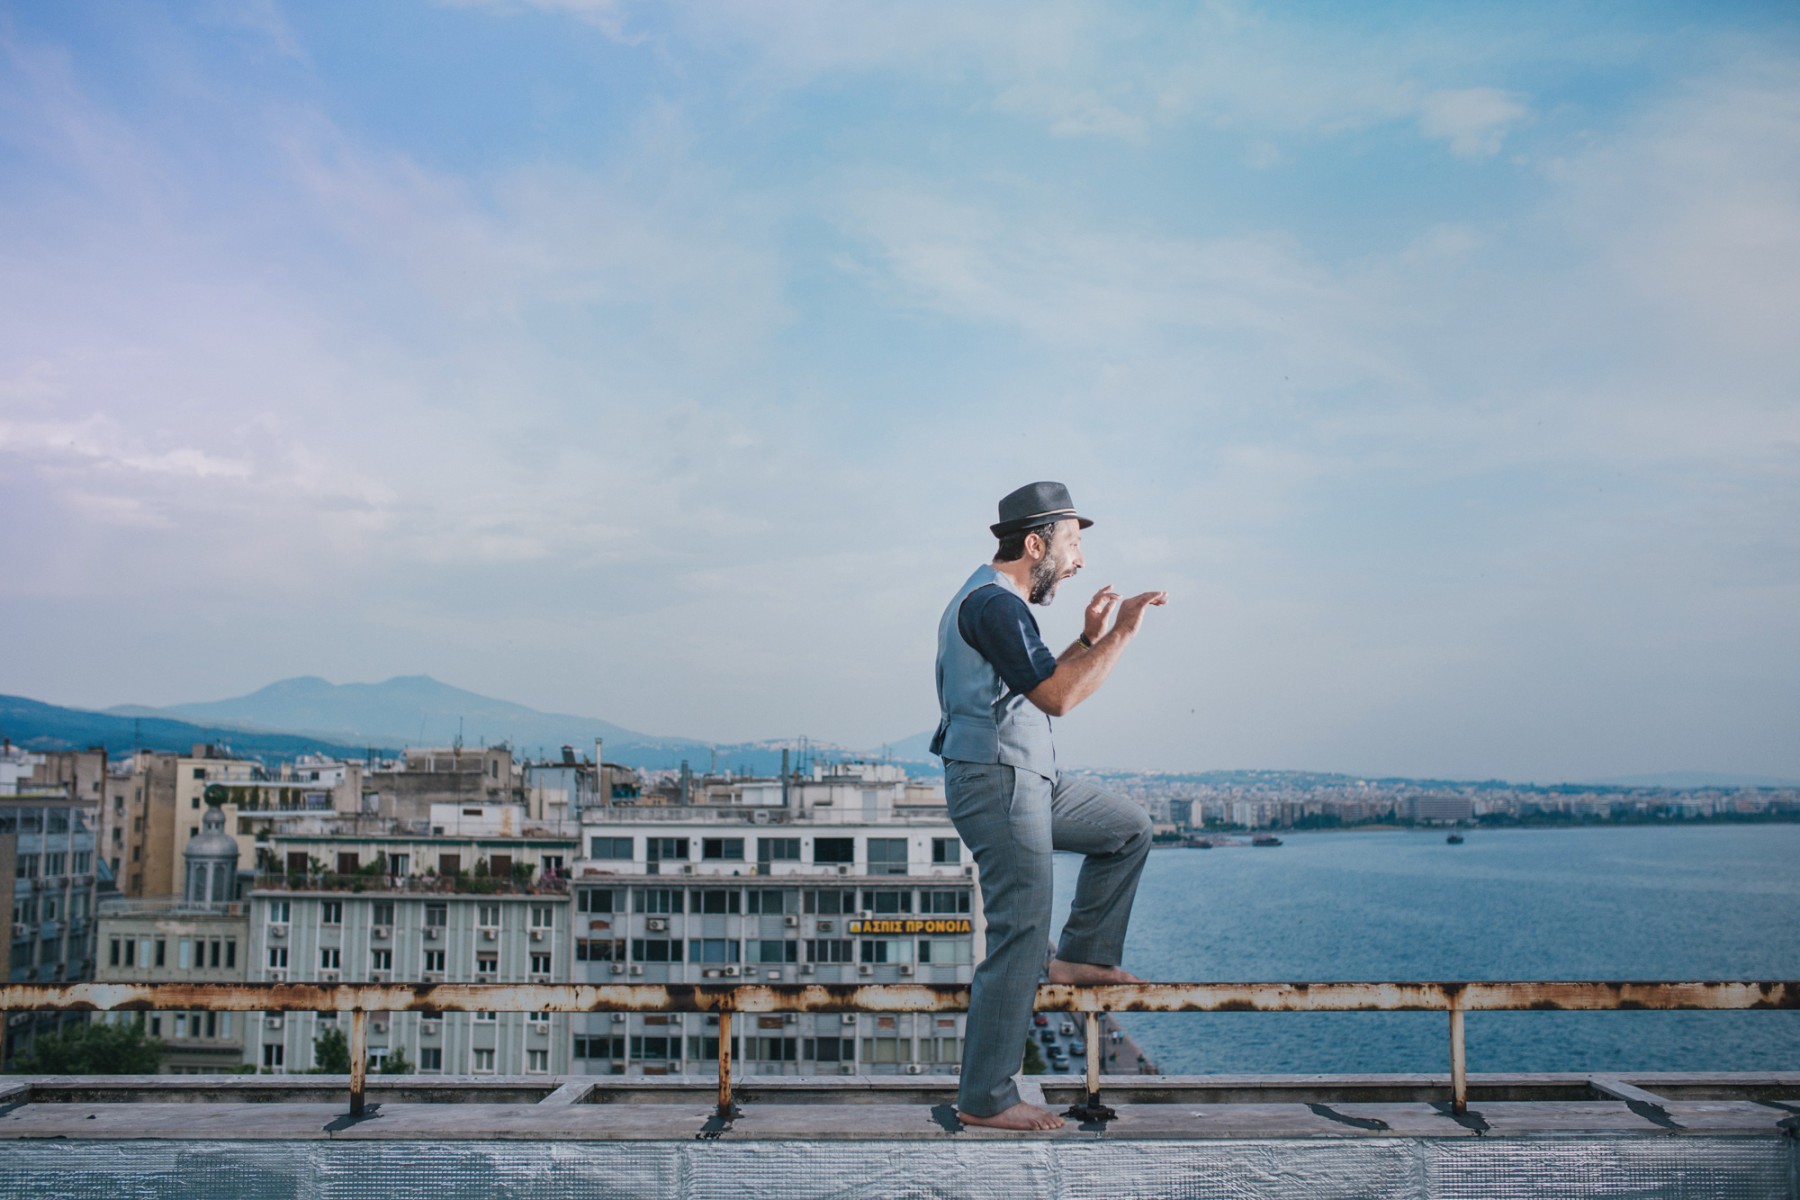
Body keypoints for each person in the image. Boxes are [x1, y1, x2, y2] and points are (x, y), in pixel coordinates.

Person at [931, 481, 1167, 1131]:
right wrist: (1122, 632)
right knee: (1021, 931)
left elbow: (1039, 683)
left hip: (1028, 778)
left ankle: (1082, 955)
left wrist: (1088, 638)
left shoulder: (996, 602)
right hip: (1000, 781)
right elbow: (1058, 698)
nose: (1079, 561)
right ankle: (985, 1098)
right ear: (1035, 545)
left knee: (1127, 829)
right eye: (1072, 544)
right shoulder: (994, 605)